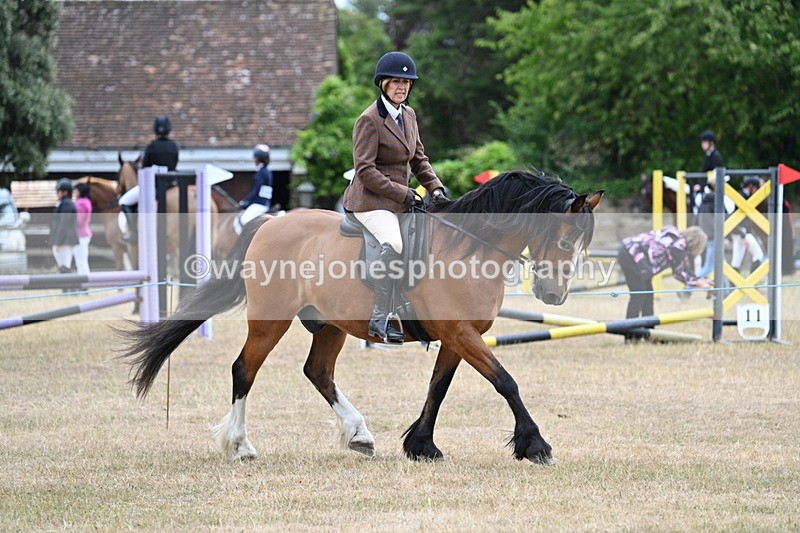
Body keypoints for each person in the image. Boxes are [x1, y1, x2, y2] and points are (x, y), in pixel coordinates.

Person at [342, 51, 448, 344]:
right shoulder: (369, 120)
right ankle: (379, 317)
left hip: (399, 202)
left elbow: (419, 159)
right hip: (370, 202)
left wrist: (436, 187)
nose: (402, 87)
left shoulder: (409, 115)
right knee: (395, 243)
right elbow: (365, 170)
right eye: (396, 82)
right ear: (383, 84)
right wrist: (404, 192)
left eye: (407, 82)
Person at [617, 226, 712, 324]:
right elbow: (680, 273)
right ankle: (630, 333)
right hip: (632, 255)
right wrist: (699, 283)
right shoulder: (678, 245)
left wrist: (700, 280)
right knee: (639, 295)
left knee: (648, 295)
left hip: (632, 253)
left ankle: (647, 331)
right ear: (696, 244)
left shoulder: (675, 236)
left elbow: (684, 268)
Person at [119, 115, 180, 243]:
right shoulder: (174, 146)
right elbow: (174, 164)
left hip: (154, 185)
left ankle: (133, 233)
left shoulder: (152, 146)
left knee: (124, 201)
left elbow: (145, 167)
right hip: (171, 184)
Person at [238, 144, 274, 228]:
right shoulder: (268, 172)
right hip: (266, 203)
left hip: (259, 204)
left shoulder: (261, 173)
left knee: (244, 219)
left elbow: (256, 191)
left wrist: (246, 202)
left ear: (258, 159)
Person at [50, 178, 79, 274]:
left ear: (65, 192)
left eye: (58, 191)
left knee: (64, 266)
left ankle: (67, 288)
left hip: (64, 241)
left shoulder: (66, 205)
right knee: (63, 266)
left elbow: (63, 224)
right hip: (65, 239)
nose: (57, 193)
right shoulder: (64, 204)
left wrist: (58, 242)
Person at [73, 182, 93, 275]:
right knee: (82, 260)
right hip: (84, 233)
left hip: (80, 234)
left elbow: (78, 221)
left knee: (81, 261)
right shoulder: (86, 201)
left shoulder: (80, 203)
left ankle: (84, 283)